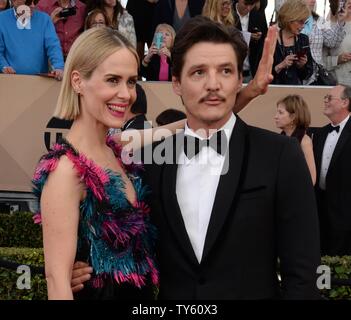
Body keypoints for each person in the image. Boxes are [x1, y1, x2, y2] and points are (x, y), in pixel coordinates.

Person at [71, 17, 321, 299]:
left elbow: (301, 275)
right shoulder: (150, 163)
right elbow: (130, 257)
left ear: (240, 79)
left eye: (225, 71)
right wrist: (85, 271)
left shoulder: (279, 156)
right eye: (198, 73)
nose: (213, 84)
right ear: (176, 83)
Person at [32, 27, 159, 300]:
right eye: (113, 80)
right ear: (78, 82)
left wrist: (241, 97)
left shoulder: (114, 150)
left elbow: (184, 128)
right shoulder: (66, 170)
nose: (126, 94)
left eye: (131, 81)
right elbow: (57, 282)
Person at [309, 84, 351, 256]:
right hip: (321, 209)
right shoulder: (320, 134)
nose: (325, 101)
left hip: (346, 211)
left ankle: (339, 284)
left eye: (329, 98)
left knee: (343, 260)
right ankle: (323, 284)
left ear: (344, 102)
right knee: (321, 257)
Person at [0, 0, 64, 79]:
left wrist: (58, 67)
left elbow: (53, 46)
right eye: (28, 2)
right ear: (14, 1)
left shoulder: (44, 19)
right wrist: (4, 66)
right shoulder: (2, 19)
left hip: (39, 80)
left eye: (35, 1)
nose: (33, 6)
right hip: (11, 80)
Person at [274, 94, 316, 185]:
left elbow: (311, 179)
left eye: (280, 113)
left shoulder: (304, 141)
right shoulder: (281, 138)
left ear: (293, 117)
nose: (276, 116)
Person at [302, 0, 346, 85]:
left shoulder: (319, 20)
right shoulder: (290, 20)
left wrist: (340, 22)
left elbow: (332, 42)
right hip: (296, 75)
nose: (313, 0)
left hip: (315, 77)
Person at [272, 0, 313, 85]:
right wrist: (281, 66)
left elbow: (307, 75)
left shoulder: (303, 40)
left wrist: (302, 66)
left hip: (295, 92)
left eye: (305, 22)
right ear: (289, 19)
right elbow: (260, 73)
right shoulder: (271, 40)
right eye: (300, 22)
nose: (303, 26)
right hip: (273, 91)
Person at [233, 0, 268, 82]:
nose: (248, 8)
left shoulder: (258, 16)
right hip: (232, 68)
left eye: (252, 4)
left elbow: (264, 42)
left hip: (251, 71)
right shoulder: (228, 13)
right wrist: (247, 36)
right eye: (245, 3)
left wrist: (259, 37)